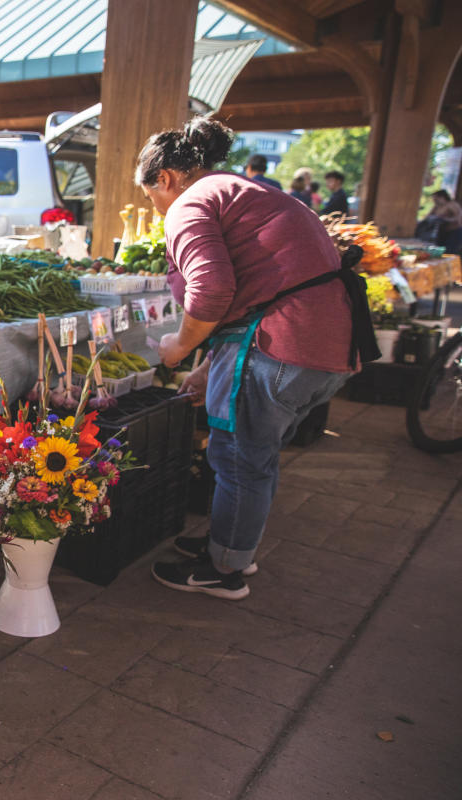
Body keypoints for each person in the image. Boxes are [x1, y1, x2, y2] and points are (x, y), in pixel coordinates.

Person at [135, 117, 372, 600]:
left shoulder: (190, 203)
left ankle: (223, 571)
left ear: (165, 178)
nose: (156, 208)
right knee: (253, 455)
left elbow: (214, 290)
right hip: (324, 348)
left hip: (283, 346)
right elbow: (256, 287)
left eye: (150, 196)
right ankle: (232, 546)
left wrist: (177, 349)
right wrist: (205, 368)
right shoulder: (243, 190)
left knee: (240, 458)